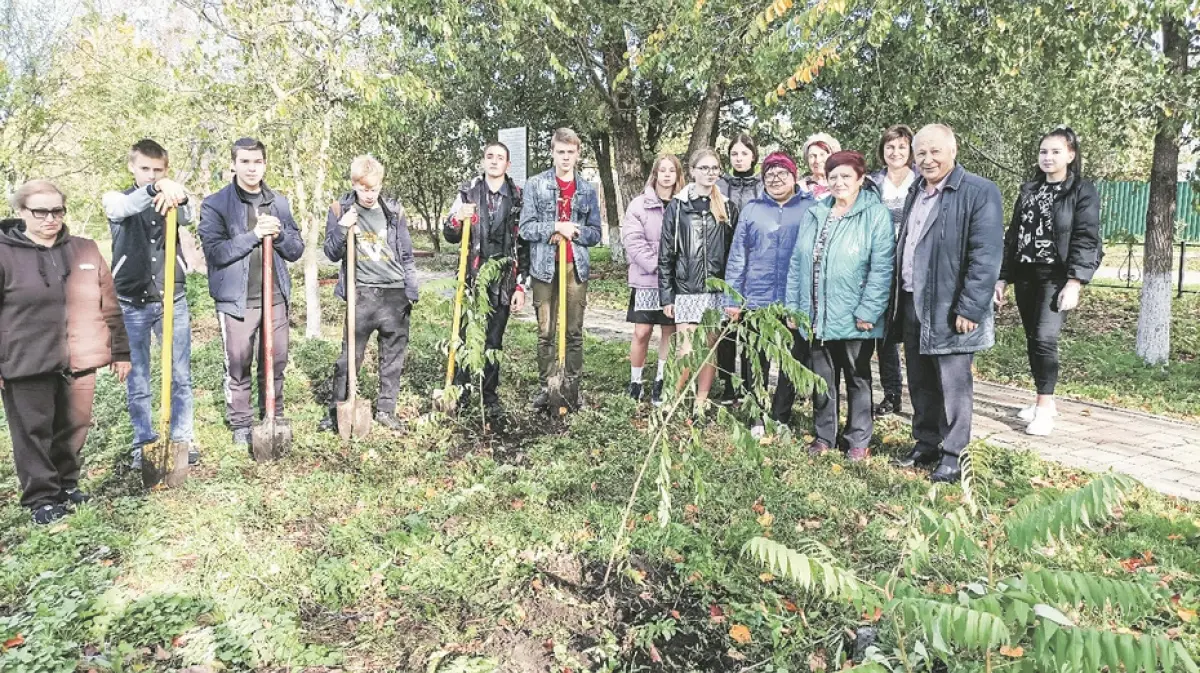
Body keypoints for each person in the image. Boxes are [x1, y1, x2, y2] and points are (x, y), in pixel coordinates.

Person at [0, 180, 131, 524]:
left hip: (80, 357)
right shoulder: (4, 253)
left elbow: (110, 304)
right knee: (32, 432)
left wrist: (121, 351)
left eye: (57, 210)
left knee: (75, 425)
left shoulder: (85, 250)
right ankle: (41, 498)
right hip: (25, 361)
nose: (50, 219)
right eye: (40, 211)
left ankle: (66, 484)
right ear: (21, 212)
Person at [889, 124, 1003, 482]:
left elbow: (985, 255)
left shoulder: (979, 191)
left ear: (953, 151)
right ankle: (925, 443)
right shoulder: (915, 192)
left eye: (935, 151)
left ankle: (954, 455)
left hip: (951, 307)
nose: (927, 159)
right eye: (920, 152)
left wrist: (970, 307)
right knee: (920, 379)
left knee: (953, 384)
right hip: (912, 300)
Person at [786, 151, 894, 460]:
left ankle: (858, 439)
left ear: (860, 179)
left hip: (855, 315)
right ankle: (824, 436)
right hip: (816, 312)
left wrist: (869, 310)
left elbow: (882, 267)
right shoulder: (816, 212)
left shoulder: (875, 214)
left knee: (857, 378)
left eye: (846, 176)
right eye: (833, 176)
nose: (839, 182)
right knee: (822, 378)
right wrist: (794, 307)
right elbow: (798, 262)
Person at [198, 137, 305, 446]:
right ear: (233, 164)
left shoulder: (278, 202)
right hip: (236, 299)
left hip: (275, 298)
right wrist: (255, 235)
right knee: (238, 361)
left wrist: (280, 233)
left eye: (257, 161)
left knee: (276, 359)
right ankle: (241, 423)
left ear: (265, 164)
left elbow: (295, 250)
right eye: (244, 161)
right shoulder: (216, 204)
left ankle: (274, 414)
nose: (251, 168)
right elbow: (216, 252)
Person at [995, 126, 1102, 436]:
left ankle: (1044, 408)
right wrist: (1002, 278)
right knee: (1033, 338)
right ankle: (1044, 399)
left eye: (1056, 151)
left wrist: (1075, 282)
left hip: (1057, 277)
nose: (1048, 157)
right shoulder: (1029, 190)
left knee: (1045, 337)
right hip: (1027, 274)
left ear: (1070, 155)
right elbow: (1012, 236)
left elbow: (1086, 237)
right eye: (1044, 151)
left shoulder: (1082, 191)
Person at [102, 139, 199, 470]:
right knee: (138, 378)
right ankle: (143, 441)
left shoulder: (172, 199)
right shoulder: (117, 198)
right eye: (144, 169)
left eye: (158, 170)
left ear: (166, 169)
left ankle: (183, 437)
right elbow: (121, 209)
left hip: (173, 298)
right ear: (132, 167)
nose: (150, 175)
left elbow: (188, 214)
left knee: (180, 374)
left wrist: (180, 195)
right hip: (132, 304)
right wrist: (157, 187)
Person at [320, 155, 420, 432]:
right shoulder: (340, 208)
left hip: (394, 293)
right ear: (354, 184)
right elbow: (330, 252)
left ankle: (386, 410)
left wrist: (411, 291)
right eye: (363, 188)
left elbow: (407, 255)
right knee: (349, 356)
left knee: (392, 358)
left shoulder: (393, 211)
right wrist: (343, 227)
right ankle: (337, 409)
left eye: (373, 189)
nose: (368, 194)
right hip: (361, 294)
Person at [724, 151, 815, 437]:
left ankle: (781, 415)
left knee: (791, 360)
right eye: (770, 175)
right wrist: (733, 298)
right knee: (755, 361)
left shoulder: (811, 208)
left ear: (794, 176)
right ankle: (756, 415)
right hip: (756, 296)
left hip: (794, 300)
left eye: (782, 174)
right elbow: (738, 255)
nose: (776, 180)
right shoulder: (752, 209)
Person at [519, 128, 603, 411]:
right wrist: (555, 227)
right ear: (553, 152)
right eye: (561, 152)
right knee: (545, 331)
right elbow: (526, 228)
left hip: (574, 268)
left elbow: (595, 234)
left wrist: (573, 232)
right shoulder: (536, 184)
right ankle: (547, 387)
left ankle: (571, 388)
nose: (566, 158)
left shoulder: (587, 189)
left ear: (578, 154)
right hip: (544, 268)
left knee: (574, 332)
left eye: (571, 152)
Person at [442, 142, 529, 419]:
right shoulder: (468, 194)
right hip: (472, 278)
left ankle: (489, 397)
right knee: (467, 338)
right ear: (483, 161)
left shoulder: (518, 197)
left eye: (500, 157)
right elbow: (449, 233)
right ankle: (462, 393)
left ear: (507, 165)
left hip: (503, 281)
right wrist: (458, 217)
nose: (494, 161)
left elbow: (523, 244)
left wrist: (520, 286)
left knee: (493, 340)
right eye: (489, 156)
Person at [659, 148, 739, 415]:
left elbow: (733, 255)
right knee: (685, 349)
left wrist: (731, 295)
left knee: (708, 349)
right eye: (704, 168)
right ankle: (673, 398)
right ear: (692, 171)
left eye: (714, 168)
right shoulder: (678, 206)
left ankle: (701, 402)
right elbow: (666, 252)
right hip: (687, 289)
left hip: (715, 291)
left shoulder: (727, 206)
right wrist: (666, 294)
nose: (709, 173)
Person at [621, 153, 682, 405]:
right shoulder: (639, 204)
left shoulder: (684, 204)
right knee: (642, 331)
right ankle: (635, 381)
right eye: (662, 170)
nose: (667, 175)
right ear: (655, 173)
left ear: (678, 175)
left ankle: (661, 379)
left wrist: (676, 271)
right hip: (647, 278)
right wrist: (659, 266)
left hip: (674, 282)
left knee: (669, 331)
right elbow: (633, 241)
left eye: (672, 170)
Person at [869, 125, 916, 417]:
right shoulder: (874, 183)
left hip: (912, 265)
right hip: (881, 264)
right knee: (884, 336)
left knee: (912, 334)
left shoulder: (921, 181)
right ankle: (891, 394)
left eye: (901, 146)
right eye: (890, 147)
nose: (895, 152)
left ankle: (923, 399)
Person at [713, 132, 762, 404]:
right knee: (727, 330)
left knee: (753, 329)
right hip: (725, 264)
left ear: (753, 155)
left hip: (756, 266)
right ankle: (730, 385)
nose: (739, 158)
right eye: (735, 154)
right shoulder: (719, 186)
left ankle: (752, 384)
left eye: (744, 153)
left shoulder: (763, 185)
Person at [800, 133, 841, 198]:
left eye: (822, 154)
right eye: (812, 156)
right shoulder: (799, 188)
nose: (817, 161)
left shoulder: (843, 185)